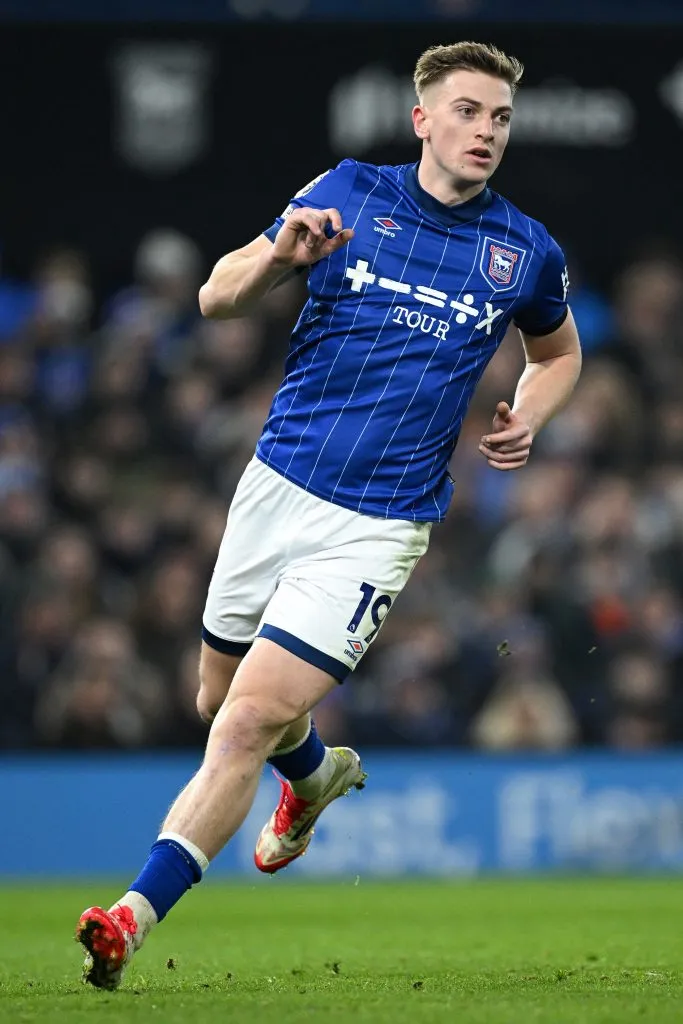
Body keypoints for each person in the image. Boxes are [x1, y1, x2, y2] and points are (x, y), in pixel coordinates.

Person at [75, 40, 582, 989]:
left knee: (242, 726)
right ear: (422, 118)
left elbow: (558, 354)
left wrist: (529, 415)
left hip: (377, 525)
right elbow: (213, 297)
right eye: (468, 111)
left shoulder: (523, 249)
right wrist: (278, 255)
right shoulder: (348, 190)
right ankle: (312, 781)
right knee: (215, 703)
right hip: (274, 489)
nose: (486, 132)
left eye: (501, 118)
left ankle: (128, 917)